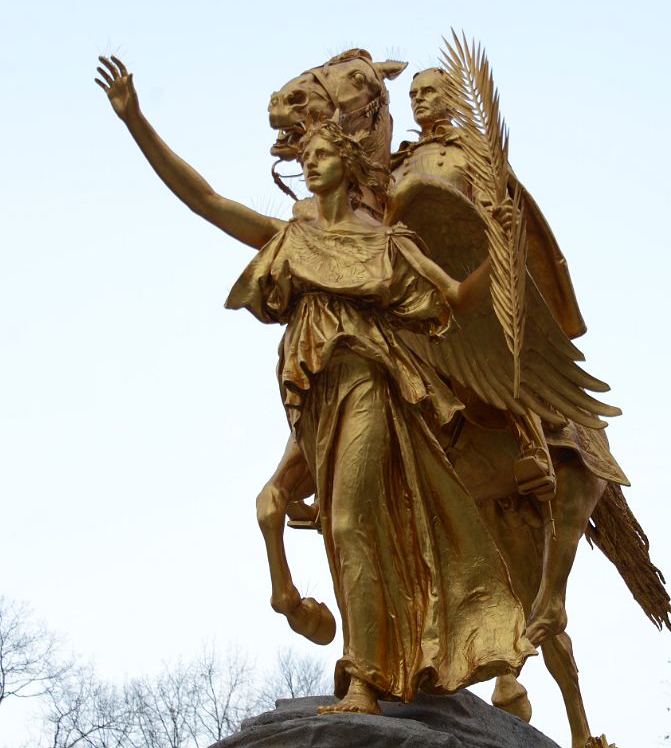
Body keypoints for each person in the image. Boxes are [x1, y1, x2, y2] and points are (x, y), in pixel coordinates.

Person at [95, 55, 534, 715]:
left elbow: (458, 301)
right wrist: (137, 122)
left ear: (351, 166)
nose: (311, 162)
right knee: (344, 530)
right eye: (307, 156)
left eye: (324, 154)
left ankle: (361, 680)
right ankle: (384, 658)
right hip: (312, 398)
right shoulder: (292, 234)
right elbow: (207, 200)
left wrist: (501, 250)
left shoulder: (388, 244)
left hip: (368, 386)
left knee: (351, 520)